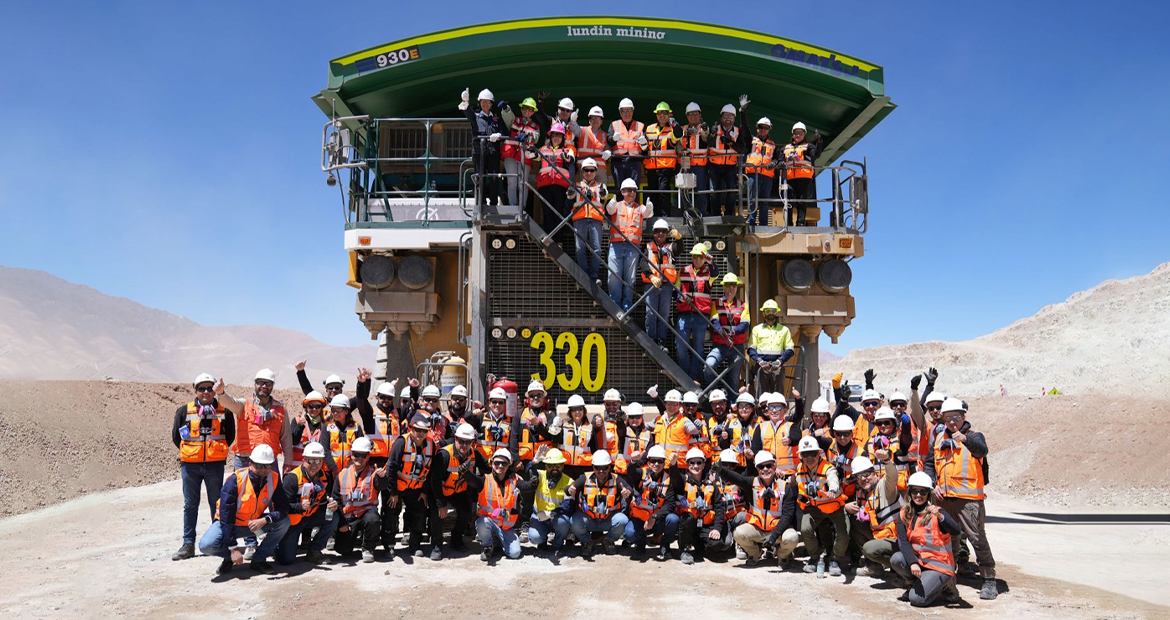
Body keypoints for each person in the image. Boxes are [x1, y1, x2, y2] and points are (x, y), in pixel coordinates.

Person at [925, 398, 998, 600]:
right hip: (944, 500)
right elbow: (929, 464)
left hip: (968, 501)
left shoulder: (974, 436)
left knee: (976, 537)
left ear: (963, 417)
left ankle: (989, 579)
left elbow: (982, 450)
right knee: (948, 539)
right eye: (948, 418)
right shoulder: (939, 439)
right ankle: (948, 577)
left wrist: (965, 440)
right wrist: (933, 484)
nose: (951, 422)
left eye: (955, 417)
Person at [223, 368, 291, 558]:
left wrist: (288, 459)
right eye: (260, 382)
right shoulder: (243, 405)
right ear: (255, 384)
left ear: (272, 386)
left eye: (267, 383)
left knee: (273, 500)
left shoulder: (280, 408)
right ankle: (251, 543)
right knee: (244, 500)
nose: (264, 386)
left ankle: (273, 541)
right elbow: (228, 402)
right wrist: (220, 393)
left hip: (269, 461)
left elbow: (285, 437)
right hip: (245, 459)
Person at [198, 444, 290, 575]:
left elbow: (284, 506)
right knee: (206, 545)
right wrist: (233, 548)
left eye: (267, 466)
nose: (263, 470)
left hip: (254, 524)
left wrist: (265, 520)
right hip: (231, 525)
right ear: (250, 463)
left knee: (284, 522)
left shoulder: (273, 478)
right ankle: (230, 558)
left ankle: (259, 560)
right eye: (259, 465)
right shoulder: (236, 480)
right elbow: (226, 515)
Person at [172, 374, 236, 561]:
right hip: (190, 466)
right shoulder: (184, 411)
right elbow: (177, 437)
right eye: (202, 388)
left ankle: (217, 541)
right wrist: (194, 452)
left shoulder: (224, 411)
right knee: (190, 505)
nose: (206, 392)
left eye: (210, 388)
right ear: (195, 391)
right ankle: (188, 544)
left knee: (217, 504)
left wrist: (213, 451)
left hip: (214, 465)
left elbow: (229, 436)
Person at [891, 472, 963, 607]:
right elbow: (903, 542)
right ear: (910, 492)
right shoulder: (903, 513)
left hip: (939, 565)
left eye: (923, 492)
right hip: (920, 562)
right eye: (915, 491)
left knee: (916, 600)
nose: (918, 495)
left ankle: (947, 585)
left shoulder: (937, 513)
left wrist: (941, 517)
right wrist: (913, 563)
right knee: (897, 559)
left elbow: (956, 530)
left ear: (929, 494)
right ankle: (914, 585)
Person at [720, 450, 800, 566]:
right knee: (738, 533)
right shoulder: (751, 483)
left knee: (792, 537)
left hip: (778, 530)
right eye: (761, 466)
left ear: (774, 466)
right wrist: (721, 470)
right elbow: (736, 478)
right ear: (757, 469)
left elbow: (788, 515)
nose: (765, 469)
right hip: (758, 529)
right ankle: (755, 553)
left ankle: (782, 556)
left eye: (769, 465)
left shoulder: (785, 487)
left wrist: (774, 536)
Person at [354, 379, 402, 551]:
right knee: (369, 504)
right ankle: (367, 539)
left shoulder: (398, 414)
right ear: (377, 396)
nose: (386, 400)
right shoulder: (370, 415)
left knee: (391, 505)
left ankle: (388, 541)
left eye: (389, 398)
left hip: (392, 464)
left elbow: (413, 406)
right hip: (373, 465)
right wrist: (363, 383)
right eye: (383, 397)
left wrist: (413, 390)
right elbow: (360, 401)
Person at [386, 414, 443, 560]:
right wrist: (393, 492)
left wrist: (424, 492)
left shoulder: (431, 445)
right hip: (398, 486)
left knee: (419, 514)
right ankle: (389, 546)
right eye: (417, 430)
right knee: (391, 514)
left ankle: (415, 544)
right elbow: (391, 468)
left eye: (424, 431)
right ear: (411, 429)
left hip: (417, 487)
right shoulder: (401, 443)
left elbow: (431, 471)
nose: (421, 434)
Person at [275, 442, 339, 565]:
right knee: (286, 560)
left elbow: (325, 499)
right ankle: (277, 546)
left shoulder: (325, 477)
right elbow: (282, 507)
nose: (314, 465)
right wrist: (300, 506)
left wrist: (331, 505)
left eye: (318, 461)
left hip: (311, 516)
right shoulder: (292, 478)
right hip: (293, 521)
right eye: (310, 461)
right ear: (303, 460)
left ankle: (314, 551)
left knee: (333, 517)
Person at [795, 436, 848, 577]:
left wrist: (832, 490)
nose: (810, 457)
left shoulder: (828, 468)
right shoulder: (800, 468)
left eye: (813, 453)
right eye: (806, 454)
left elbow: (833, 480)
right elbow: (796, 483)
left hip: (833, 506)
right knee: (805, 529)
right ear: (801, 456)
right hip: (815, 508)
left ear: (819, 453)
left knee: (843, 533)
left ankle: (834, 560)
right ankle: (814, 558)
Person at [565, 450, 634, 558]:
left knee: (623, 520)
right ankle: (587, 542)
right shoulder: (585, 478)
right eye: (597, 468)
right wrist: (569, 490)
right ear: (593, 467)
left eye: (605, 467)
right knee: (574, 521)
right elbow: (569, 488)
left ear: (610, 467)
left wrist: (628, 492)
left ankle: (608, 540)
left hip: (608, 519)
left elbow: (629, 489)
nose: (601, 471)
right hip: (589, 519)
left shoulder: (616, 479)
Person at [436, 423, 490, 552]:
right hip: (441, 491)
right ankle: (436, 545)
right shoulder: (444, 455)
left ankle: (456, 539)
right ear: (455, 439)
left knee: (466, 511)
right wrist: (441, 504)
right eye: (461, 441)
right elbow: (435, 481)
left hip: (458, 491)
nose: (464, 445)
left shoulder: (474, 453)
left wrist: (509, 471)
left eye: (468, 442)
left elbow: (488, 468)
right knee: (437, 515)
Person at [335, 437, 390, 562]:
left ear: (368, 457)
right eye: (356, 455)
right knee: (343, 550)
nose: (359, 458)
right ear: (351, 455)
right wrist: (342, 523)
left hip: (367, 513)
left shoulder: (373, 473)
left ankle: (368, 548)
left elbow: (382, 486)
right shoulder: (342, 474)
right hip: (349, 516)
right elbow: (336, 499)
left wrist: (382, 477)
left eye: (363, 455)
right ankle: (352, 539)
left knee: (374, 520)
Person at [846, 455, 902, 576]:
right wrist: (846, 507)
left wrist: (887, 460)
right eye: (859, 476)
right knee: (855, 523)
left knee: (869, 548)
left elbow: (893, 477)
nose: (863, 479)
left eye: (866, 474)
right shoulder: (865, 492)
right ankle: (874, 566)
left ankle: (901, 568)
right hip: (881, 535)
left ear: (874, 473)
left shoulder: (884, 486)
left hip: (896, 538)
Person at [472, 448, 531, 561]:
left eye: (504, 463)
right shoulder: (485, 479)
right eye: (497, 463)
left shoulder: (514, 480)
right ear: (492, 463)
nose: (500, 466)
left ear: (509, 465)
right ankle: (488, 546)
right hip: (489, 522)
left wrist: (533, 483)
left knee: (515, 553)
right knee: (481, 522)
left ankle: (498, 541)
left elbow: (526, 486)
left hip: (506, 526)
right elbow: (472, 480)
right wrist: (465, 472)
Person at [673, 448, 726, 564]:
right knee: (688, 517)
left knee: (718, 545)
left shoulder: (711, 483)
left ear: (703, 465)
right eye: (692, 463)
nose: (695, 466)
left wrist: (717, 528)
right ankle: (684, 549)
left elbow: (719, 507)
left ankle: (700, 545)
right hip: (688, 524)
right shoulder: (683, 481)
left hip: (705, 525)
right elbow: (675, 477)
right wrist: (673, 464)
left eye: (699, 463)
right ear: (687, 465)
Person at [606, 178, 652, 311]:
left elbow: (647, 213)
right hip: (616, 245)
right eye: (628, 190)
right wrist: (610, 204)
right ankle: (614, 305)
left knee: (630, 279)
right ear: (622, 191)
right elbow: (609, 211)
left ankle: (627, 306)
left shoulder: (640, 207)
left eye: (634, 190)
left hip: (633, 247)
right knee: (613, 275)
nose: (632, 193)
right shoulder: (616, 205)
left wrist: (649, 208)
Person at [624, 445, 678, 560]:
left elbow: (670, 504)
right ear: (648, 462)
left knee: (673, 519)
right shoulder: (641, 474)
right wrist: (633, 461)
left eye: (660, 461)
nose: (656, 464)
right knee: (629, 533)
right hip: (639, 519)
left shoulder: (668, 480)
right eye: (653, 461)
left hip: (657, 520)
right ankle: (640, 542)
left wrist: (654, 517)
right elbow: (631, 472)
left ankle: (665, 545)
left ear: (664, 463)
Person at [676, 243, 715, 384]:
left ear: (704, 258)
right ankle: (685, 376)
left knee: (698, 348)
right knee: (680, 346)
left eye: (700, 257)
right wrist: (681, 297)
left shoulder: (710, 273)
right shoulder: (683, 271)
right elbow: (677, 290)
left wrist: (711, 261)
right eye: (695, 256)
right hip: (684, 313)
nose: (697, 259)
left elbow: (716, 273)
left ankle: (694, 378)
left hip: (701, 315)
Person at [459, 87, 505, 207]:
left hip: (493, 153)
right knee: (480, 179)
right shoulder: (475, 117)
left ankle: (494, 203)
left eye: (488, 102)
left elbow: (504, 132)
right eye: (483, 102)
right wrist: (465, 102)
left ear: (491, 104)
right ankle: (481, 203)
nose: (485, 104)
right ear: (479, 103)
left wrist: (499, 135)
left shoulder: (496, 119)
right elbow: (467, 113)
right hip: (479, 152)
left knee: (494, 178)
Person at [706, 96, 751, 216]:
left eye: (730, 116)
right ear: (721, 117)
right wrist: (712, 135)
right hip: (714, 166)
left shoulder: (737, 132)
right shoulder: (715, 129)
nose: (727, 119)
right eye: (725, 116)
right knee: (714, 192)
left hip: (730, 167)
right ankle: (715, 214)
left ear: (734, 118)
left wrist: (730, 142)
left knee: (732, 192)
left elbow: (742, 149)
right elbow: (708, 144)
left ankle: (729, 214)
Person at [526, 446, 573, 557]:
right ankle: (542, 544)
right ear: (545, 466)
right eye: (550, 465)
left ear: (563, 466)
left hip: (556, 517)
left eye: (557, 465)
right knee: (534, 538)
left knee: (564, 522)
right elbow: (527, 472)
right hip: (539, 516)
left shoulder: (569, 481)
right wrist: (533, 462)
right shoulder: (540, 475)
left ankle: (558, 545)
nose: (554, 468)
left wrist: (551, 513)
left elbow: (568, 505)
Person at [706, 272, 749, 391]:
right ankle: (713, 394)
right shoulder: (716, 304)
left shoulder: (743, 305)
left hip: (737, 346)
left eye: (734, 285)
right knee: (709, 365)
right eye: (728, 285)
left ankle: (731, 403)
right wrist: (721, 331)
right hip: (720, 345)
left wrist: (732, 332)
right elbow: (714, 320)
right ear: (723, 287)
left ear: (736, 287)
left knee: (734, 378)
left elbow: (745, 324)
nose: (731, 288)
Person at [642, 218, 679, 349]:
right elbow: (643, 263)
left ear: (667, 233)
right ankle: (651, 340)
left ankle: (661, 341)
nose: (660, 234)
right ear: (653, 233)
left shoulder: (671, 247)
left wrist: (679, 238)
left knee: (664, 314)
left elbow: (680, 249)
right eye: (657, 231)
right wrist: (651, 276)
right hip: (651, 285)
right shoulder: (647, 246)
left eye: (663, 231)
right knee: (651, 313)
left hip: (667, 286)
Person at [569, 157, 609, 280]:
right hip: (580, 219)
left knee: (596, 249)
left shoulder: (601, 186)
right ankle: (584, 273)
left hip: (595, 219)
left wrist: (602, 193)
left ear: (596, 172)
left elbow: (604, 197)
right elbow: (569, 196)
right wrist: (571, 191)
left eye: (592, 170)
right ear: (582, 172)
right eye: (586, 170)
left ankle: (594, 274)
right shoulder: (576, 185)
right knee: (580, 248)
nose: (589, 173)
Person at [751, 389, 803, 477]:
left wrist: (789, 440)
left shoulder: (791, 426)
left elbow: (797, 437)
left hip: (789, 475)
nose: (774, 411)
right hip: (768, 474)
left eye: (778, 407)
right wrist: (772, 467)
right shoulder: (760, 428)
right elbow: (756, 450)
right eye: (771, 407)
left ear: (785, 410)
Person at [747, 300, 795, 394]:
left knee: (778, 397)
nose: (770, 313)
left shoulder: (784, 330)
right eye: (767, 311)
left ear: (776, 312)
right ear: (763, 313)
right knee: (761, 398)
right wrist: (760, 361)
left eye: (773, 311)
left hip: (778, 368)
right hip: (761, 368)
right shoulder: (757, 329)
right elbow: (751, 349)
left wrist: (780, 361)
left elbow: (790, 349)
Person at [534, 122, 576, 228]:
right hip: (544, 186)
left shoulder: (567, 150)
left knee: (559, 213)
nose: (556, 138)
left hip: (560, 187)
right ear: (550, 137)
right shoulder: (543, 149)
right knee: (547, 213)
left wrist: (566, 156)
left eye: (559, 135)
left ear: (563, 137)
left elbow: (570, 159)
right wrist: (531, 151)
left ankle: (559, 242)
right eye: (554, 135)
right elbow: (534, 157)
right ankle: (549, 241)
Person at [501, 96, 541, 208]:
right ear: (521, 109)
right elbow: (508, 115)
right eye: (524, 108)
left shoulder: (535, 127)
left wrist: (528, 137)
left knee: (523, 183)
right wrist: (505, 108)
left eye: (529, 109)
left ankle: (521, 208)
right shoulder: (515, 120)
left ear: (533, 112)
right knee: (512, 182)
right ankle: (513, 206)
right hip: (511, 156)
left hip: (525, 156)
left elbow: (535, 138)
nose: (526, 111)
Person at [643, 102, 682, 216]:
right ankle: (653, 217)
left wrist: (674, 124)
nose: (662, 116)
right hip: (651, 167)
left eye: (665, 113)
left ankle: (665, 217)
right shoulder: (649, 128)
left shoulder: (672, 129)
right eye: (659, 113)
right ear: (656, 115)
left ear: (669, 115)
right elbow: (644, 147)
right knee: (653, 193)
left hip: (665, 167)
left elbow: (678, 135)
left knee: (663, 192)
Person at [782, 122, 822, 226]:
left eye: (800, 133)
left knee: (801, 201)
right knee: (788, 201)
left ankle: (800, 223)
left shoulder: (808, 147)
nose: (798, 135)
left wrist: (819, 142)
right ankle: (788, 223)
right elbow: (780, 159)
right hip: (790, 177)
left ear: (804, 134)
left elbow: (816, 154)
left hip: (804, 177)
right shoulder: (786, 148)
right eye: (796, 133)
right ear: (792, 134)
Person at [549, 394, 598, 479]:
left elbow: (594, 449)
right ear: (570, 412)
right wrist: (555, 427)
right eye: (574, 409)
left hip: (584, 468)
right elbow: (555, 440)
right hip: (566, 468)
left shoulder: (590, 427)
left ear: (584, 410)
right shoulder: (564, 425)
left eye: (580, 409)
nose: (577, 412)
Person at [649, 388, 701, 467]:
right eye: (669, 403)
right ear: (665, 404)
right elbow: (643, 427)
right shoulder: (658, 419)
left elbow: (695, 431)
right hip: (660, 464)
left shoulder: (685, 421)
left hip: (679, 465)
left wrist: (698, 427)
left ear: (680, 405)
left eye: (675, 404)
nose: (671, 406)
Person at [288, 391, 334, 472]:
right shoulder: (297, 421)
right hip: (297, 469)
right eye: (311, 406)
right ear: (306, 407)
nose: (314, 409)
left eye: (317, 406)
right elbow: (293, 441)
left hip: (316, 469)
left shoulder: (324, 425)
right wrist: (299, 426)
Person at [607, 98, 646, 192]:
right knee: (620, 189)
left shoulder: (640, 125)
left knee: (633, 190)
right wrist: (613, 139)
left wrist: (644, 144)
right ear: (620, 112)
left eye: (629, 110)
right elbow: (609, 141)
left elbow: (645, 147)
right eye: (624, 111)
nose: (627, 113)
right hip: (618, 162)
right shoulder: (614, 125)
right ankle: (621, 207)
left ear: (633, 111)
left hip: (634, 162)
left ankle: (633, 207)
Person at [744, 117, 777, 226]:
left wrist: (774, 163)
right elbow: (745, 129)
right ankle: (751, 221)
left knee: (764, 201)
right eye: (761, 127)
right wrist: (743, 112)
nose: (763, 130)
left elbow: (776, 158)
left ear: (769, 129)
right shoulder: (751, 141)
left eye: (766, 128)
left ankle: (764, 224)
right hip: (753, 173)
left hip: (767, 176)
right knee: (752, 199)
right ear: (757, 128)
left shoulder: (772, 144)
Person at [679, 102, 709, 216]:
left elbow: (706, 138)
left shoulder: (704, 129)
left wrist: (704, 130)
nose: (693, 116)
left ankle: (700, 215)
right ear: (687, 116)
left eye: (696, 114)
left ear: (700, 115)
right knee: (685, 192)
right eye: (690, 114)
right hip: (686, 166)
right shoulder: (682, 130)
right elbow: (678, 145)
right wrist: (682, 151)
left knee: (700, 192)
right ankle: (685, 215)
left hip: (700, 166)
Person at [325, 394, 364, 472]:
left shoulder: (356, 428)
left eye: (339, 409)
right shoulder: (327, 427)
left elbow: (359, 450)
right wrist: (334, 469)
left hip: (351, 470)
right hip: (330, 472)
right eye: (333, 410)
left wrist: (347, 470)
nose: (335, 413)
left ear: (346, 411)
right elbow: (325, 450)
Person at [614, 401, 652, 476]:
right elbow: (620, 429)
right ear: (628, 418)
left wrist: (636, 463)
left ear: (642, 417)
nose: (635, 419)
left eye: (637, 417)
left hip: (639, 473)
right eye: (631, 417)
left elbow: (648, 452)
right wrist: (619, 420)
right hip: (624, 471)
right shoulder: (624, 432)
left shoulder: (648, 434)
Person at [577, 106, 611, 185]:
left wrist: (609, 152)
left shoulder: (605, 135)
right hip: (585, 168)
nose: (595, 120)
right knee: (583, 192)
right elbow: (573, 128)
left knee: (601, 193)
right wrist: (572, 121)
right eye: (593, 118)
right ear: (589, 120)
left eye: (598, 118)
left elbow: (610, 149)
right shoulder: (582, 130)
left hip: (600, 169)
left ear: (601, 121)